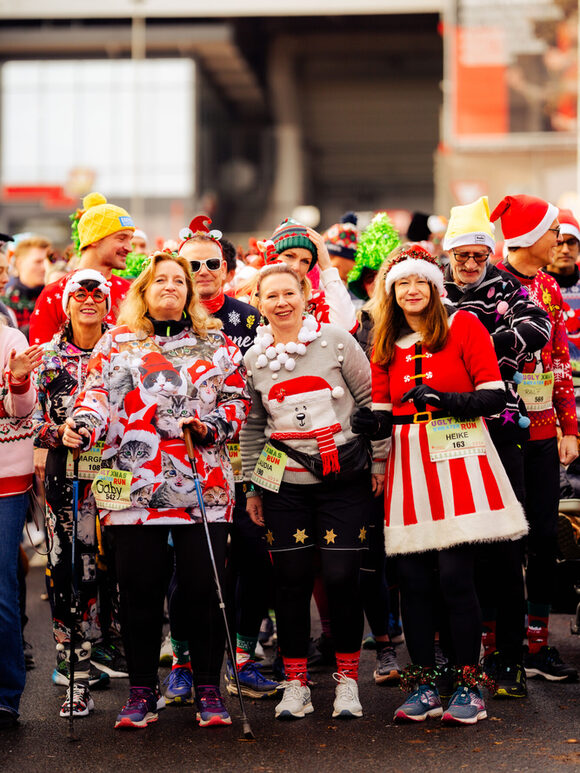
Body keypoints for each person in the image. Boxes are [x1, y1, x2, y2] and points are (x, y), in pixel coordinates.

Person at [63, 252, 250, 730]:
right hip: (130, 486)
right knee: (138, 591)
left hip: (201, 482)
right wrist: (81, 426)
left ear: (190, 293)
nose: (171, 286)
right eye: (160, 280)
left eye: (179, 281)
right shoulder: (116, 342)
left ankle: (209, 687)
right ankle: (142, 691)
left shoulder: (216, 342)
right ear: (143, 291)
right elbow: (95, 397)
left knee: (203, 590)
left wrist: (210, 425)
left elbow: (236, 400)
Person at [354, 243, 528, 725]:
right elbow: (385, 410)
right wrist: (368, 423)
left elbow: (493, 397)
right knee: (411, 582)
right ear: (392, 292)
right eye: (402, 283)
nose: (412, 290)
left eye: (420, 282)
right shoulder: (385, 338)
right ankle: (426, 682)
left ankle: (468, 686)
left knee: (455, 577)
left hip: (459, 457)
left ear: (434, 286)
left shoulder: (465, 326)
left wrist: (446, 398)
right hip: (410, 462)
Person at [241, 262, 387, 720]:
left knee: (343, 578)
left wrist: (379, 459)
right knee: (290, 582)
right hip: (285, 484)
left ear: (305, 293)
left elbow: (371, 403)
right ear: (259, 303)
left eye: (290, 293)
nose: (281, 303)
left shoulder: (337, 342)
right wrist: (253, 487)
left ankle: (347, 681)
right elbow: (253, 427)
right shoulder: (253, 358)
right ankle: (296, 683)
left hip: (344, 481)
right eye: (271, 296)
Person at [442, 196, 551, 698]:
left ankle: (509, 659)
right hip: (442, 432)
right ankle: (458, 655)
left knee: (506, 546)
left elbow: (538, 330)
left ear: (489, 255)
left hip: (500, 428)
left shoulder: (512, 288)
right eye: (461, 255)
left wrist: (472, 346)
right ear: (449, 255)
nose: (468, 265)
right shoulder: (431, 288)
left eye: (477, 256)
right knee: (452, 546)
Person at [176, 221, 277, 702]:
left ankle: (241, 656)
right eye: (191, 264)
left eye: (212, 263)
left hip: (249, 457)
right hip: (184, 463)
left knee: (255, 558)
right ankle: (181, 662)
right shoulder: (162, 320)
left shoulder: (251, 318)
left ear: (227, 269)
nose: (202, 272)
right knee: (189, 566)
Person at [492, 195, 579, 683]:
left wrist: (570, 426)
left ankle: (538, 642)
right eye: (553, 234)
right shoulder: (487, 284)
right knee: (500, 537)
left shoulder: (548, 287)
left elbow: (561, 361)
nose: (559, 243)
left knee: (544, 537)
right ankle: (492, 644)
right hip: (496, 431)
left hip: (545, 430)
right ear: (527, 236)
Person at [33, 270, 123, 719]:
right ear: (66, 302)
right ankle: (75, 679)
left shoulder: (125, 347)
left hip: (121, 474)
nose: (89, 300)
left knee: (124, 569)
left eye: (98, 293)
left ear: (109, 301)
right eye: (80, 293)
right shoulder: (47, 357)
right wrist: (56, 432)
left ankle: (137, 675)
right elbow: (24, 421)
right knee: (70, 575)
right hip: (65, 477)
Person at [0, 319, 42, 728]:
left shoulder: (10, 338)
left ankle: (6, 695)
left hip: (5, 483)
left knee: (1, 587)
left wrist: (17, 380)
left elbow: (22, 409)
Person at [29, 192, 134, 345]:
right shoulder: (54, 294)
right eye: (121, 238)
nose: (129, 248)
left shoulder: (131, 293)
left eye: (130, 239)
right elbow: (39, 359)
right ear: (95, 239)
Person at [244, 218, 358, 334]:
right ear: (272, 256)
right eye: (289, 256)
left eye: (305, 261)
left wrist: (327, 266)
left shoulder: (316, 301)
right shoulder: (243, 299)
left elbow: (346, 328)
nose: (296, 267)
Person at [545, 208, 580, 364]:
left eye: (571, 242)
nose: (565, 250)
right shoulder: (533, 284)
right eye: (559, 242)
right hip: (550, 381)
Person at [2, 235, 51, 336]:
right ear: (19, 263)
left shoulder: (56, 299)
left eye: (49, 261)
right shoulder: (4, 300)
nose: (45, 268)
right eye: (38, 262)